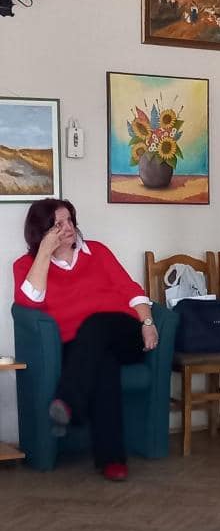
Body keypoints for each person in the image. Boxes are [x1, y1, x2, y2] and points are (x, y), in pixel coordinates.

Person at [13, 198, 158, 482]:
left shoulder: (98, 252)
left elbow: (131, 290)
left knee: (96, 324)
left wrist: (148, 323)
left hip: (124, 333)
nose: (68, 227)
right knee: (103, 365)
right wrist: (44, 254)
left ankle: (68, 401)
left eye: (69, 220)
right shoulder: (26, 265)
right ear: (41, 231)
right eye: (58, 224)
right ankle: (112, 460)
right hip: (78, 348)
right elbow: (30, 302)